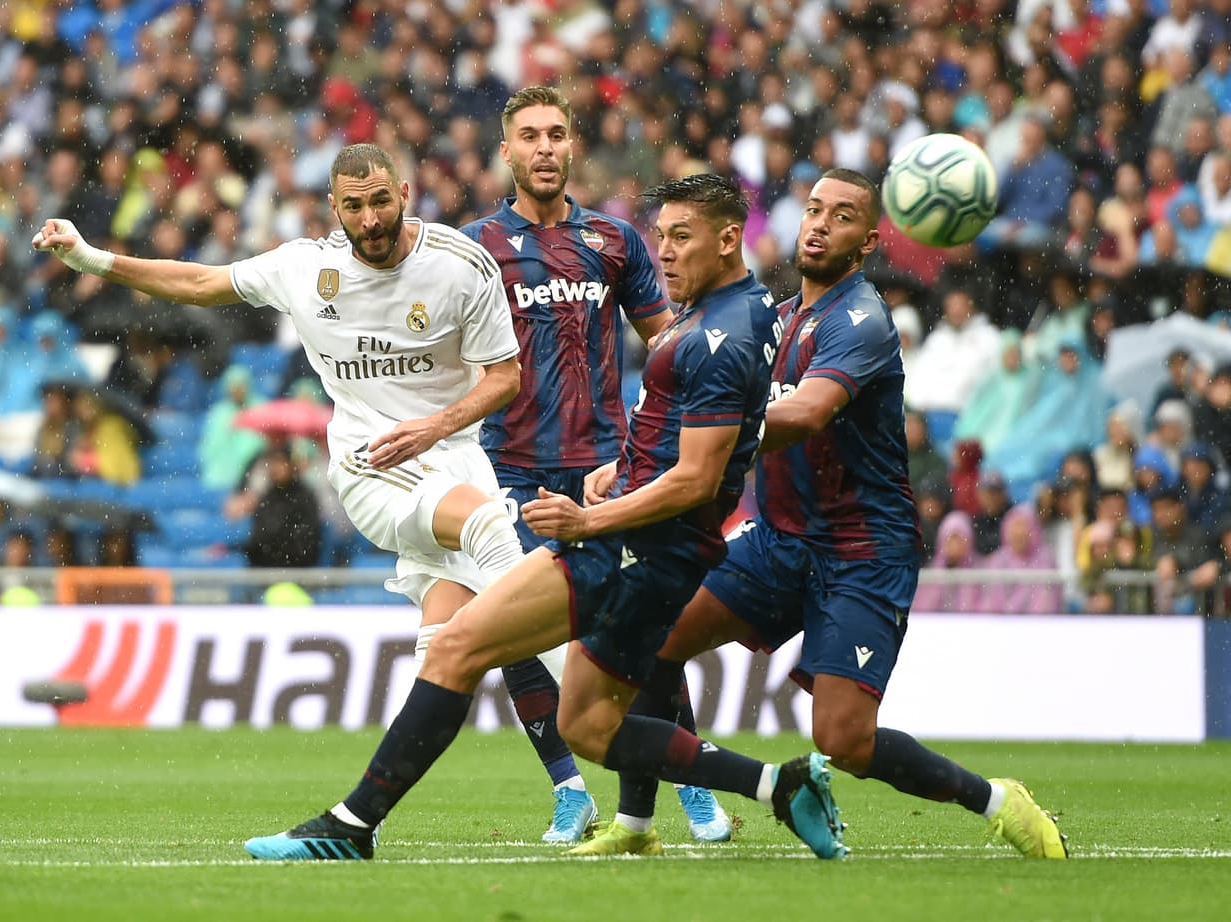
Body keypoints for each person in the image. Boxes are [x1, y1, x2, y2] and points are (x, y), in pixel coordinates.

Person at [240, 174, 837, 863]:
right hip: (661, 549)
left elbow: (698, 477)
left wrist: (591, 522)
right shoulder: (750, 309)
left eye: (682, 237)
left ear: (730, 239)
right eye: (661, 236)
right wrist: (631, 464)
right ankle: (779, 785)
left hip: (632, 548)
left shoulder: (715, 337)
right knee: (589, 726)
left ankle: (351, 825)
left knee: (459, 646)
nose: (665, 253)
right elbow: (711, 438)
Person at [573, 170, 1066, 859]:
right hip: (778, 540)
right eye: (812, 210)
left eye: (841, 216)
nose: (819, 225)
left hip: (861, 550)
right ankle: (635, 825)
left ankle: (995, 799)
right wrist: (637, 464)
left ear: (866, 242)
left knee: (843, 741)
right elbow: (692, 408)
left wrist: (699, 440)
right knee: (655, 641)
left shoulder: (862, 320)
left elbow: (806, 413)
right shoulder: (772, 319)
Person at [33, 141, 531, 733]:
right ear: (333, 208)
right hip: (374, 464)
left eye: (380, 201)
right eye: (353, 207)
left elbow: (507, 377)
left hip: (457, 459)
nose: (370, 219)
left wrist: (437, 426)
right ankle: (594, 689)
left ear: (404, 194)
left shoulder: (459, 263)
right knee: (495, 540)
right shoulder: (303, 268)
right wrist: (93, 259)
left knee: (444, 654)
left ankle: (411, 784)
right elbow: (199, 282)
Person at [458, 85, 728, 843]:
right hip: (511, 471)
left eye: (556, 133)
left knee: (642, 629)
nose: (544, 147)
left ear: (573, 146)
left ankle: (689, 783)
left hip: (608, 471)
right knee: (504, 627)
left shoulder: (614, 240)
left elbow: (665, 346)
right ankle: (569, 790)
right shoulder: (475, 248)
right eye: (529, 135)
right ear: (506, 151)